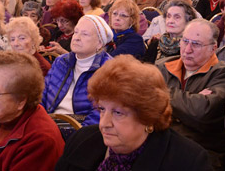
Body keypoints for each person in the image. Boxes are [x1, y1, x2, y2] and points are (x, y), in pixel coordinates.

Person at [57, 55, 213, 171]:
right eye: (102, 109)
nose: (104, 123)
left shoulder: (188, 161)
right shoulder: (82, 140)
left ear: (147, 116)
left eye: (118, 113)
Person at [155, 19, 225, 169]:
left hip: (200, 154)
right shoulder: (163, 66)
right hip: (159, 145)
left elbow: (201, 112)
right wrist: (190, 101)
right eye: (185, 41)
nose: (187, 49)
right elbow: (141, 105)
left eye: (196, 44)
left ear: (213, 48)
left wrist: (159, 92)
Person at [42, 15, 113, 126]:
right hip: (49, 123)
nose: (77, 38)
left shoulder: (109, 69)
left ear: (100, 43)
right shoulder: (61, 61)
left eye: (85, 34)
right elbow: (43, 94)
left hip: (79, 129)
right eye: (76, 32)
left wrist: (77, 137)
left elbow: (100, 113)